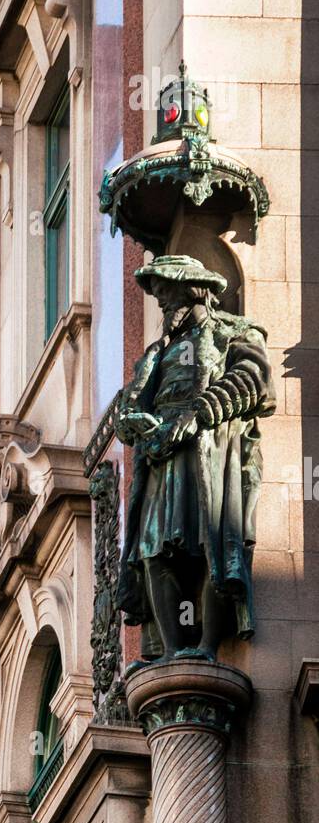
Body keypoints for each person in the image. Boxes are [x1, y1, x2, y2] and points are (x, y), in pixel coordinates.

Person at [114, 254, 276, 663]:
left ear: (194, 291)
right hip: (160, 456)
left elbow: (254, 382)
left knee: (211, 543)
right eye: (161, 298)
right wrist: (137, 424)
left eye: (169, 296)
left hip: (207, 454)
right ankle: (171, 650)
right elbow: (130, 405)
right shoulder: (157, 352)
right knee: (152, 549)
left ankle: (205, 646)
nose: (164, 305)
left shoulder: (234, 333)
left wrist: (198, 414)